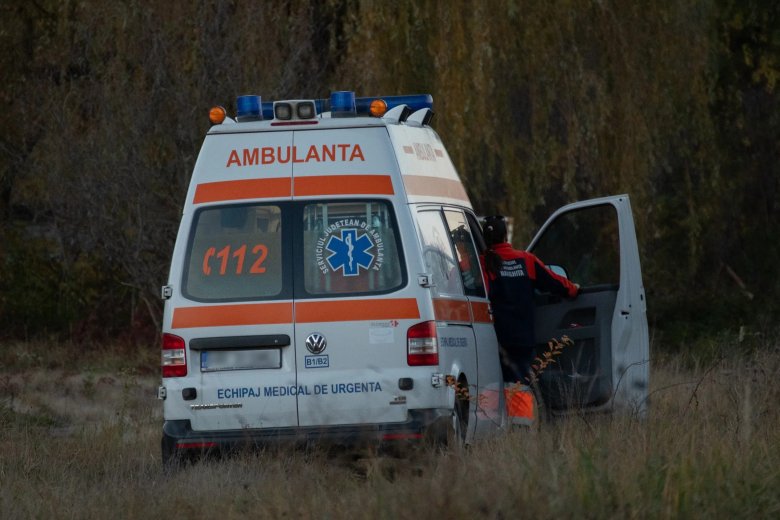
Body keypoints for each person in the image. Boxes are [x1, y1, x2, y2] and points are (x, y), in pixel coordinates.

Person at [481, 215, 579, 385]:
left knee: (493, 386)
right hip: (522, 340)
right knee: (520, 386)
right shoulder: (526, 260)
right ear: (505, 236)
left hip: (493, 340)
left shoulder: (481, 263)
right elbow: (555, 282)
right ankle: (519, 404)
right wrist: (573, 289)